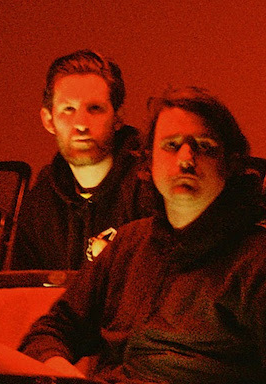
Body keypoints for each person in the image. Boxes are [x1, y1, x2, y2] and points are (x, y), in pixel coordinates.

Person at [0, 87, 266, 384]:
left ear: (231, 164)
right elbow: (53, 329)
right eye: (172, 146)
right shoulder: (131, 243)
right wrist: (71, 382)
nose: (186, 160)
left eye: (204, 147)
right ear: (149, 163)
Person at [10, 50, 156, 270]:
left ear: (118, 118)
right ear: (48, 120)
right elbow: (23, 293)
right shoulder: (40, 204)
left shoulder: (150, 185)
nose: (81, 124)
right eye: (68, 109)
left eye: (95, 109)